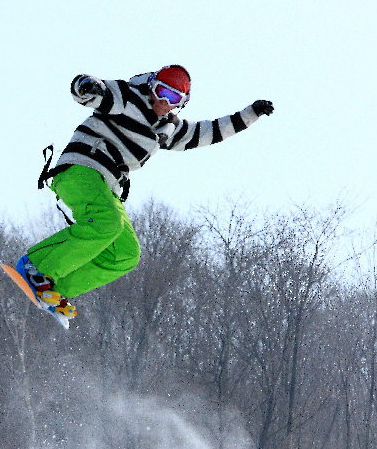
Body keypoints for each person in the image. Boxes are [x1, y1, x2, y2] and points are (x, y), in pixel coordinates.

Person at [15, 65, 274, 322]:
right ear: (152, 85)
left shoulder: (168, 128)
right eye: (160, 91)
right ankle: (36, 266)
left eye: (172, 98)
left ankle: (55, 288)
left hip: (107, 186)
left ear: (180, 103)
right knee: (108, 224)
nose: (162, 101)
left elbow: (209, 131)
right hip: (81, 169)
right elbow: (93, 92)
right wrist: (86, 86)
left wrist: (250, 114)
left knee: (125, 254)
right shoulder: (127, 96)